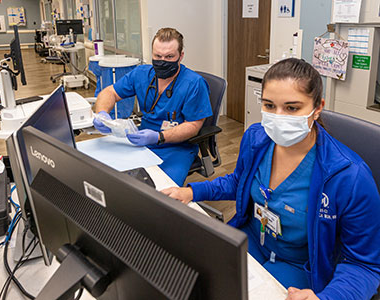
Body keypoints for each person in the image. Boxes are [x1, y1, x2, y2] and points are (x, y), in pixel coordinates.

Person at [162, 58, 380, 300]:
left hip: (300, 264)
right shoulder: (256, 138)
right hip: (251, 239)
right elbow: (238, 182)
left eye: (292, 108)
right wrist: (191, 192)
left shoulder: (349, 175)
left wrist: (328, 298)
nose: (278, 117)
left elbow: (364, 265)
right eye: (269, 105)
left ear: (317, 108)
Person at [93, 28, 212, 186]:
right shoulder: (141, 74)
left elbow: (194, 125)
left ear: (181, 56)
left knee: (160, 192)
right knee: (110, 178)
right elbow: (110, 92)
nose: (162, 61)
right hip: (142, 140)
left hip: (177, 147)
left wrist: (159, 137)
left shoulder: (194, 84)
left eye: (169, 57)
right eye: (157, 56)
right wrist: (102, 114)